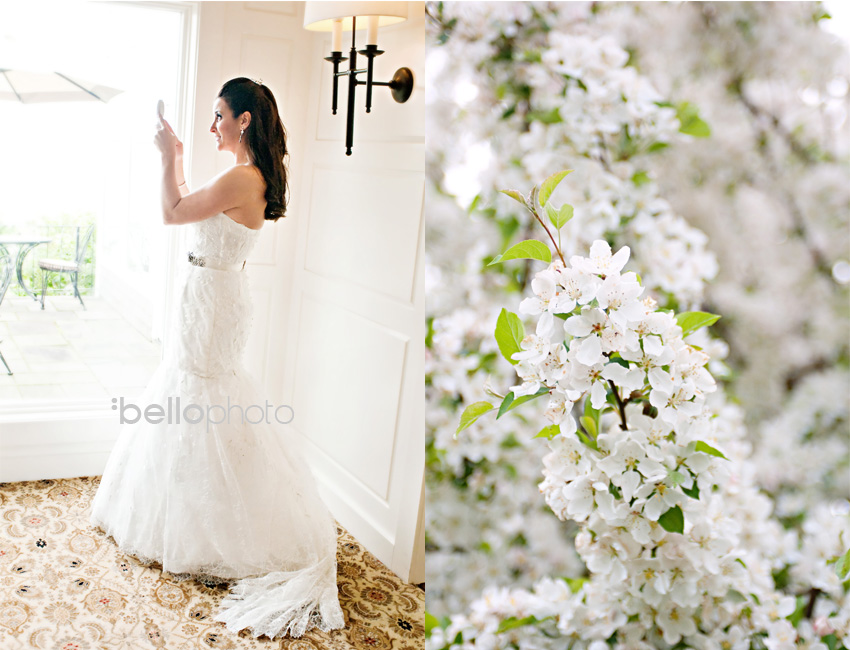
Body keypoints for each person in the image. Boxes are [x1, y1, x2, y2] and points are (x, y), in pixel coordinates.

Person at [89, 78, 345, 640]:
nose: (213, 127)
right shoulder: (247, 176)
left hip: (212, 303)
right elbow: (191, 207)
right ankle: (194, 507)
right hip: (214, 295)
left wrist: (165, 158)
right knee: (203, 395)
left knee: (199, 393)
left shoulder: (240, 176)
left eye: (219, 116)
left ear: (244, 120)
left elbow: (173, 211)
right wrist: (177, 155)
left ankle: (207, 526)